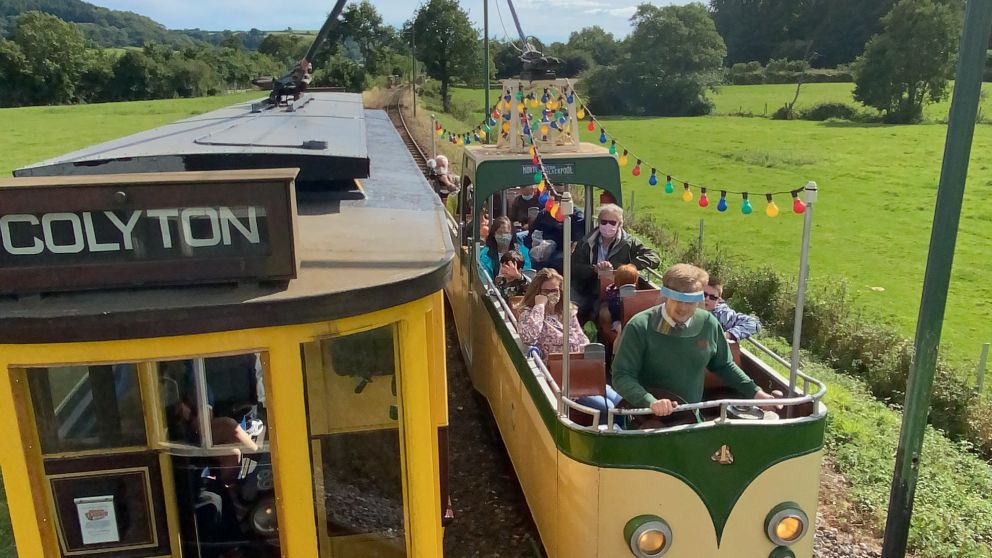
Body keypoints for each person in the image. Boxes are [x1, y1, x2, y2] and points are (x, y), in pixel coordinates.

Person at [611, 263, 779, 419]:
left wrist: (757, 393)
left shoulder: (708, 324)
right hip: (643, 418)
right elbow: (622, 376)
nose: (682, 308)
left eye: (690, 302)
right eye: (677, 300)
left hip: (690, 418)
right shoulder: (640, 326)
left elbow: (724, 365)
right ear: (665, 296)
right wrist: (651, 402)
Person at [571, 204, 660, 322]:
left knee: (604, 313)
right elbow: (573, 267)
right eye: (604, 222)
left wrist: (626, 268)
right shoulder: (586, 242)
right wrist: (593, 269)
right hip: (586, 287)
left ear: (620, 224)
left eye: (612, 223)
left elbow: (654, 257)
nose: (608, 225)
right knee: (570, 308)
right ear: (598, 222)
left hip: (614, 291)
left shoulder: (629, 242)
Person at [516, 268, 588, 360]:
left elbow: (581, 339)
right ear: (537, 292)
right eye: (546, 291)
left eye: (554, 291)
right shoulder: (528, 313)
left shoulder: (568, 311)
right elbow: (528, 338)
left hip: (574, 362)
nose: (551, 294)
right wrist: (540, 306)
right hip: (550, 365)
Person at [525, 207, 585, 273]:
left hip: (563, 252)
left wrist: (571, 253)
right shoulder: (544, 213)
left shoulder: (576, 215)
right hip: (542, 251)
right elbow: (531, 235)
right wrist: (535, 249)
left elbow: (578, 240)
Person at [597, 263, 640, 352]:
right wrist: (621, 298)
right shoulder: (612, 292)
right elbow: (614, 307)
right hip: (617, 320)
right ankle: (615, 353)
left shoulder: (638, 293)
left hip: (632, 318)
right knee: (621, 331)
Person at [704, 276, 761, 341]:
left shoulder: (723, 314)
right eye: (704, 294)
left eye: (712, 297)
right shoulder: (690, 306)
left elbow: (754, 323)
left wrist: (727, 335)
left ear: (718, 300)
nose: (706, 299)